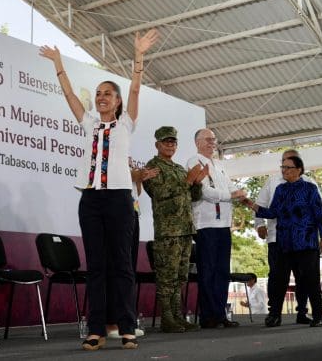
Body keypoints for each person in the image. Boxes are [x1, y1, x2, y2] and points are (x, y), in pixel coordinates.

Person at [39, 28, 159, 351]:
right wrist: (59, 64)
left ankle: (127, 327)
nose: (102, 97)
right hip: (90, 199)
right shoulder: (89, 124)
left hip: (120, 200)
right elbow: (68, 96)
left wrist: (138, 57)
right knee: (95, 266)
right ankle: (95, 330)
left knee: (121, 264)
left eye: (108, 93)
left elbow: (135, 88)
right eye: (99, 93)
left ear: (118, 102)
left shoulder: (126, 124)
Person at [243, 155, 322, 328]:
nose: (284, 170)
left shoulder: (310, 188)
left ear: (299, 170)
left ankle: (318, 316)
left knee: (310, 280)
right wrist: (251, 204)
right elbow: (272, 212)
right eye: (282, 167)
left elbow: (319, 214)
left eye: (288, 167)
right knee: (279, 279)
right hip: (284, 243)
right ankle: (275, 315)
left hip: (306, 243)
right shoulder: (280, 190)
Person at [143, 126, 206, 333]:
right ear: (157, 145)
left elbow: (193, 196)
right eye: (166, 142)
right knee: (166, 275)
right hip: (167, 231)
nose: (170, 145)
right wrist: (188, 181)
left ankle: (178, 316)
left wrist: (197, 182)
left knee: (180, 276)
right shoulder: (152, 167)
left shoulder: (179, 169)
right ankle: (166, 319)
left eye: (173, 142)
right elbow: (158, 193)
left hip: (185, 229)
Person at [186, 129, 246, 329]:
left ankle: (220, 314)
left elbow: (229, 187)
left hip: (223, 225)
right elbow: (206, 193)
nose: (213, 143)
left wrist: (235, 193)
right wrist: (231, 195)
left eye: (214, 139)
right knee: (208, 270)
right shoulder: (194, 161)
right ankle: (208, 315)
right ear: (198, 142)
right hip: (206, 224)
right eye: (208, 139)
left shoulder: (219, 165)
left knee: (222, 271)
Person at [106, 160, 158, 339]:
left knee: (128, 271)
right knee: (116, 269)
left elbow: (136, 193)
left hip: (132, 213)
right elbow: (109, 182)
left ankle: (125, 322)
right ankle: (111, 323)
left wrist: (139, 180)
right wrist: (133, 175)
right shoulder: (108, 155)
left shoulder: (125, 158)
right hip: (115, 213)